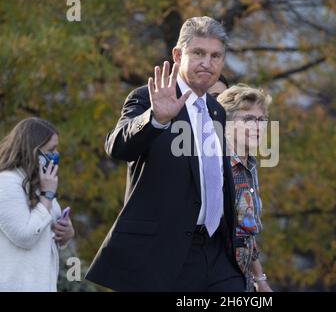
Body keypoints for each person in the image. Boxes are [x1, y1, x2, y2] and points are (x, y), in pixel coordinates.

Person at [86, 16, 246, 291]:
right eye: (198, 53)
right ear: (177, 54)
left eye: (215, 55)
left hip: (214, 251)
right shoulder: (149, 98)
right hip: (162, 252)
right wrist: (155, 119)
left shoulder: (217, 110)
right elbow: (117, 146)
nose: (207, 63)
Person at [0, 117, 75, 292]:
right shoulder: (6, 183)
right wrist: (47, 195)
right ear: (33, 151)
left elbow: (47, 231)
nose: (55, 155)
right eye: (51, 150)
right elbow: (25, 237)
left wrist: (66, 232)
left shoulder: (37, 183)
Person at [217, 84, 273, 292]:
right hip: (215, 278)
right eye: (248, 119)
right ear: (225, 124)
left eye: (261, 120)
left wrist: (260, 279)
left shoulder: (249, 165)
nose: (257, 127)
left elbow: (246, 231)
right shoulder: (215, 167)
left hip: (243, 280)